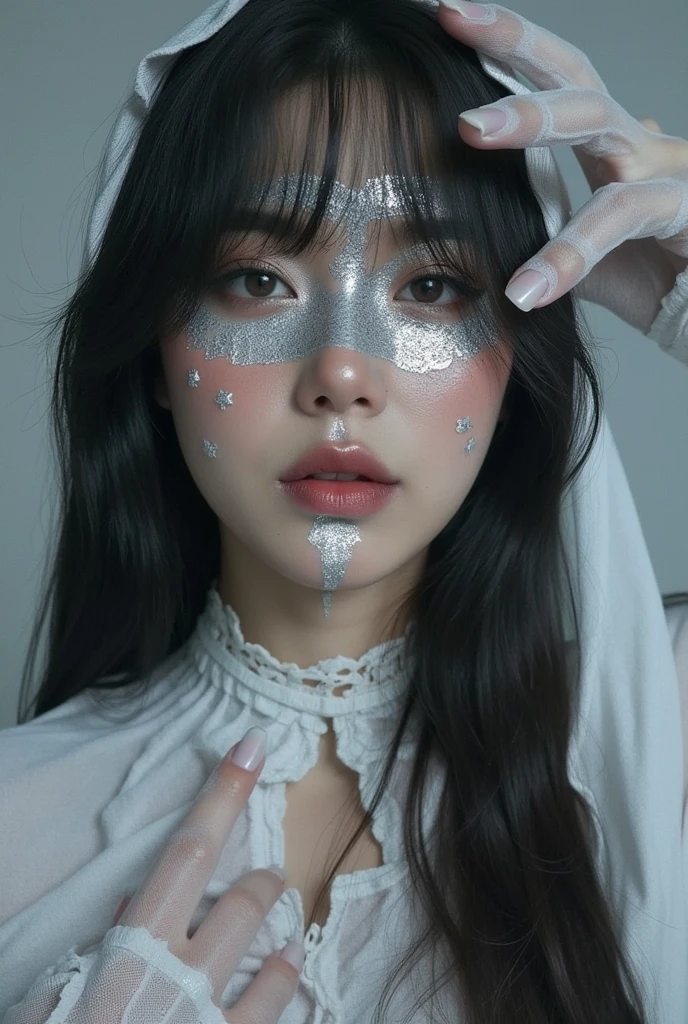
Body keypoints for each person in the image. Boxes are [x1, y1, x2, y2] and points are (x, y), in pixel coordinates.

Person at [1, 0, 687, 1021]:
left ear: (520, 345)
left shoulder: (655, 737)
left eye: (433, 287)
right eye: (255, 278)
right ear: (152, 347)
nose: (342, 373)